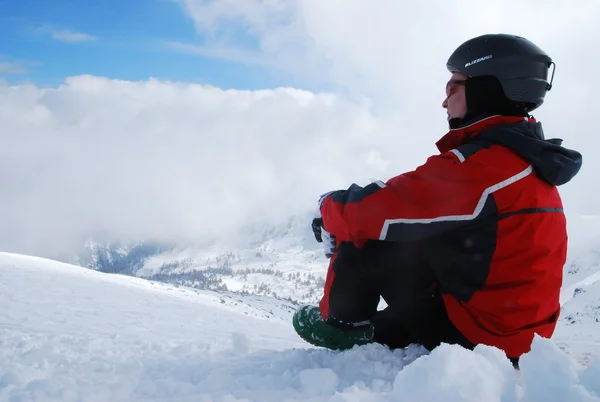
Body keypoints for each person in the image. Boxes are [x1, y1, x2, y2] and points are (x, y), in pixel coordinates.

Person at [292, 33, 583, 364]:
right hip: (517, 333)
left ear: (485, 88)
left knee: (365, 237)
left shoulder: (482, 167)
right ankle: (379, 331)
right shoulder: (527, 162)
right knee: (408, 242)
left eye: (453, 87)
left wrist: (329, 207)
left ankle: (338, 329)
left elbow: (374, 209)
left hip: (481, 338)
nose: (445, 101)